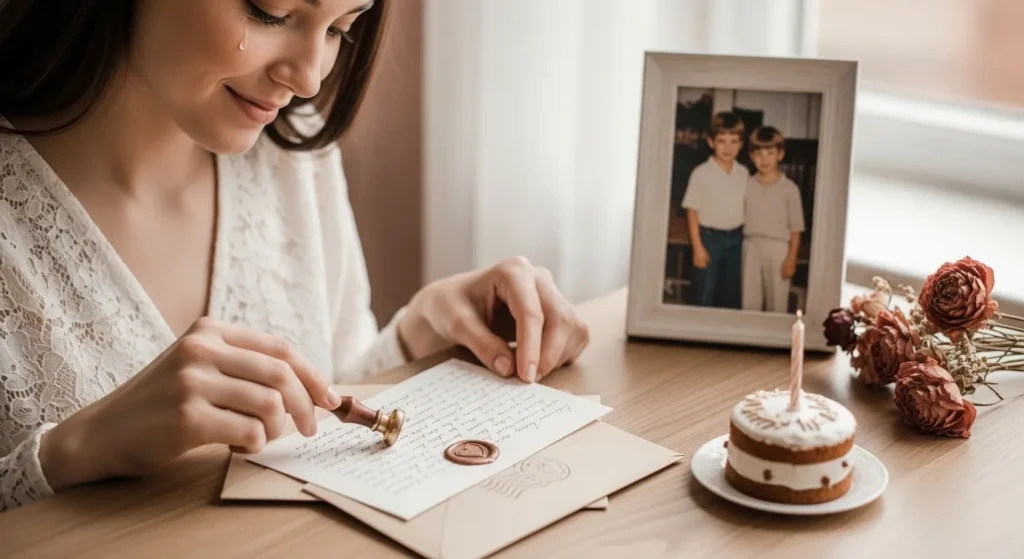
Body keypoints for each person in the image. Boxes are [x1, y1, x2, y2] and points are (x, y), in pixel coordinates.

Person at [0, 0, 590, 512]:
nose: (309, 78)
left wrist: (420, 333)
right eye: (271, 12)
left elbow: (329, 394)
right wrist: (76, 450)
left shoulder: (290, 157)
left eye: (339, 28)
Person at [681, 111, 748, 309]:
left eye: (733, 141)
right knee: (705, 294)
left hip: (736, 239)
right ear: (711, 142)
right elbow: (691, 211)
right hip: (709, 240)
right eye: (721, 141)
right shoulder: (700, 173)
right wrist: (698, 247)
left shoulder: (744, 173)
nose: (728, 147)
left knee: (731, 295)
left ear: (741, 144)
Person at [741, 126, 806, 313]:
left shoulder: (790, 189)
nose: (764, 159)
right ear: (752, 156)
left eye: (770, 153)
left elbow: (796, 229)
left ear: (780, 154)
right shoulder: (747, 184)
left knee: (776, 302)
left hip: (778, 249)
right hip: (751, 246)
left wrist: (791, 258)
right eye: (759, 153)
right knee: (749, 301)